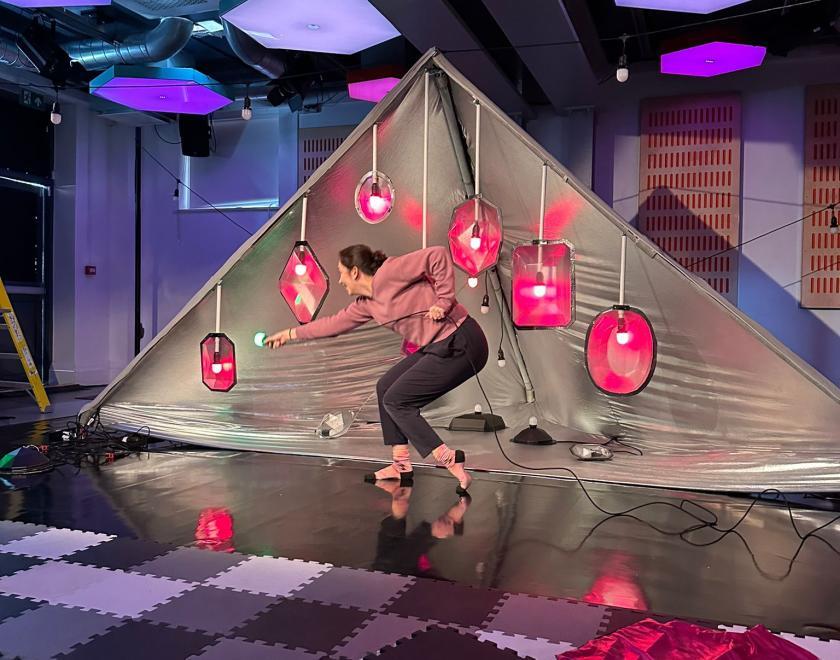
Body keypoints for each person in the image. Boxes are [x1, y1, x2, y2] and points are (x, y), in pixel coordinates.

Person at [266, 244, 489, 494]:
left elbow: (437, 255)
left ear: (355, 272)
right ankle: (401, 465)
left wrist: (444, 301)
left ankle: (448, 458)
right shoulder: (366, 305)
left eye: (341, 272)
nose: (339, 280)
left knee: (397, 401)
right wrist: (290, 334)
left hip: (462, 341)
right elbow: (333, 325)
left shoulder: (390, 272)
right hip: (438, 345)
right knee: (385, 388)